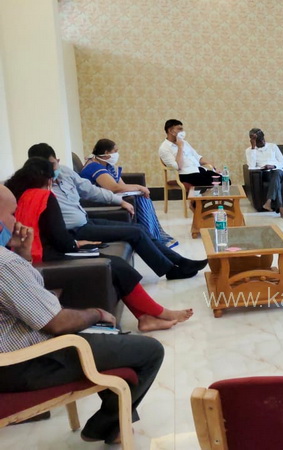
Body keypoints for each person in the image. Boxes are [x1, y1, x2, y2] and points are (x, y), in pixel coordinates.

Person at [0, 184, 164, 445]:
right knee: (149, 350)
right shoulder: (4, 264)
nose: (17, 221)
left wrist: (23, 256)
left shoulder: (9, 261)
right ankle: (105, 425)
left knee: (112, 340)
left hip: (15, 355)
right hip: (26, 364)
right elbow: (56, 323)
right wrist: (96, 313)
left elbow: (25, 299)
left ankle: (113, 424)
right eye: (11, 214)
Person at [6, 158, 192, 331]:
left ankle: (146, 317)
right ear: (48, 179)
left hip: (34, 253)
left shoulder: (18, 195)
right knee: (116, 265)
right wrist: (78, 244)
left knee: (117, 263)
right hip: (49, 255)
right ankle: (158, 312)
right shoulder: (45, 197)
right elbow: (61, 241)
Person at [27, 143, 206, 280]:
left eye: (53, 164)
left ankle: (180, 262)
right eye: (46, 167)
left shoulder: (65, 172)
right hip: (75, 231)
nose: (52, 170)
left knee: (139, 228)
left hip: (86, 221)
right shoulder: (37, 188)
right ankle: (170, 270)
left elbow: (91, 191)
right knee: (135, 232)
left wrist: (119, 201)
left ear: (57, 161)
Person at [80, 138, 177, 248]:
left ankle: (152, 236)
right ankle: (150, 239)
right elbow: (114, 188)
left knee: (142, 197)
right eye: (115, 151)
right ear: (106, 153)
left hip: (106, 196)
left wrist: (138, 189)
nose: (117, 154)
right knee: (142, 199)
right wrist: (139, 187)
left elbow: (122, 185)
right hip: (94, 201)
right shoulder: (94, 166)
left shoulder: (106, 165)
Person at [158, 119, 219, 186]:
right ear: (170, 131)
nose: (182, 132)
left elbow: (198, 158)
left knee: (223, 180)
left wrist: (213, 167)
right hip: (186, 174)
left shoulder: (185, 142)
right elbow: (177, 167)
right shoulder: (164, 148)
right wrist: (180, 147)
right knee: (210, 183)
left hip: (199, 170)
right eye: (179, 129)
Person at [246, 128, 283, 219]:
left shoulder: (273, 146)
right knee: (276, 183)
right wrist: (253, 148)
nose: (262, 142)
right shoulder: (249, 151)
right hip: (265, 173)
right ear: (253, 142)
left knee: (276, 173)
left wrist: (273, 166)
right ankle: (280, 208)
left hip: (277, 170)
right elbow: (251, 166)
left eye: (263, 139)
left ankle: (269, 201)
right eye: (259, 141)